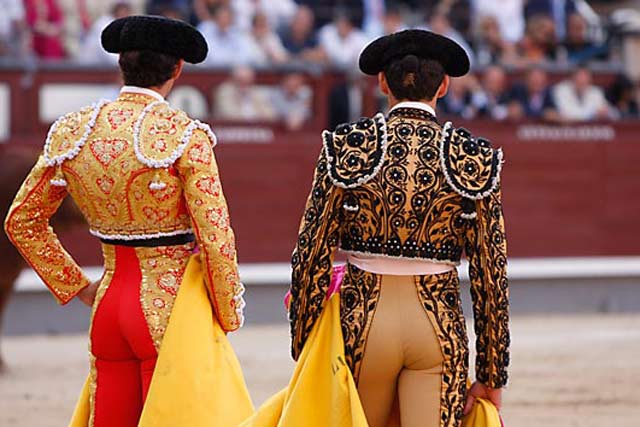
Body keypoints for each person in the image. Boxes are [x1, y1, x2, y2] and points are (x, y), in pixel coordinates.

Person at [4, 15, 251, 426]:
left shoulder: (73, 130)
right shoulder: (184, 135)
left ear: (121, 64)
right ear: (178, 69)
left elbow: (21, 221)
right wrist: (227, 313)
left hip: (108, 306)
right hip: (170, 308)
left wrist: (78, 287)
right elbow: (216, 237)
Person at [288, 29, 510, 427]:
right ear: (443, 86)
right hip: (437, 325)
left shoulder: (348, 145)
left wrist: (306, 342)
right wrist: (492, 373)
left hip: (362, 323)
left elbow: (312, 249)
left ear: (382, 83)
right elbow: (490, 271)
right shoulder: (471, 155)